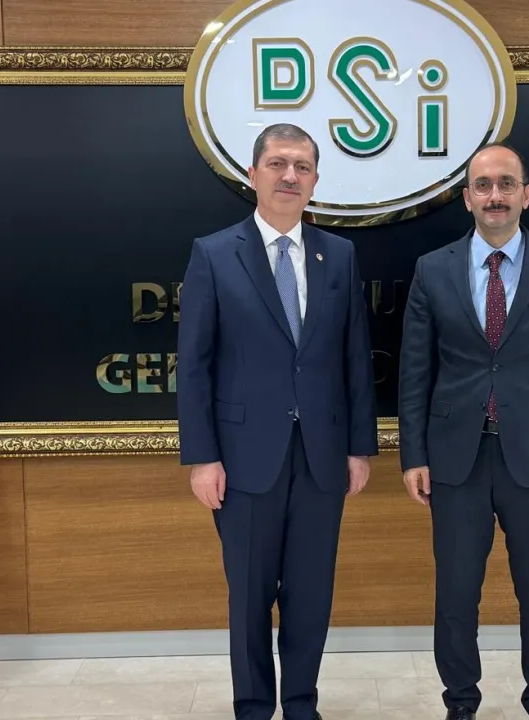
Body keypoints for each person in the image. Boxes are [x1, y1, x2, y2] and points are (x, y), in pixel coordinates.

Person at [177, 122, 378, 720]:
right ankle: (253, 707)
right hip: (243, 459)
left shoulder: (338, 255)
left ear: (315, 180)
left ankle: (301, 704)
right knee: (249, 594)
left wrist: (359, 448)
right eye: (278, 163)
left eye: (302, 166)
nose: (290, 175)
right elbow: (195, 365)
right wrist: (202, 457)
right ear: (253, 174)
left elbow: (354, 357)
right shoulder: (214, 253)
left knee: (311, 593)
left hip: (322, 456)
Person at [397, 142, 529, 720]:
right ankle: (460, 702)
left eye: (506, 184)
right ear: (466, 198)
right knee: (456, 596)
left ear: (525, 195)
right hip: (454, 459)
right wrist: (413, 454)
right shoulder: (432, 269)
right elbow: (415, 372)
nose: (495, 196)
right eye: (483, 185)